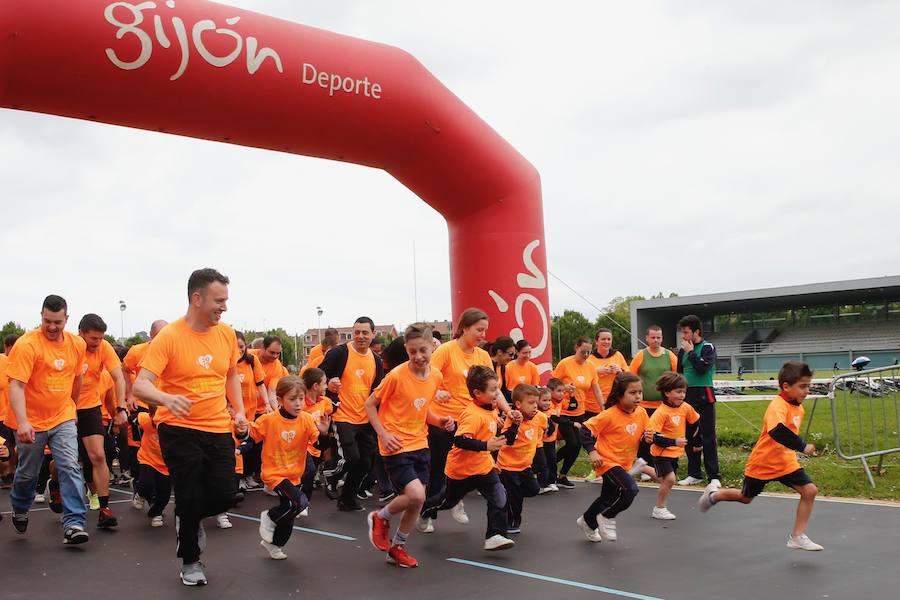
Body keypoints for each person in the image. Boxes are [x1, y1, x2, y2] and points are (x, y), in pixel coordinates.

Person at [133, 268, 249, 586]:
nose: (224, 307)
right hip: (178, 428)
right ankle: (191, 560)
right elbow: (141, 387)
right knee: (187, 493)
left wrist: (238, 411)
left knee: (226, 494)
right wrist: (167, 399)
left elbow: (228, 376)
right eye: (219, 300)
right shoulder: (170, 337)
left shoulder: (226, 334)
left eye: (226, 300)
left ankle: (189, 517)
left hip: (217, 426)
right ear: (196, 298)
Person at [698, 361, 823, 551]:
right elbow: (777, 431)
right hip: (763, 463)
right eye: (803, 386)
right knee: (745, 498)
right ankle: (715, 496)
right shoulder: (777, 405)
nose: (807, 391)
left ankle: (797, 536)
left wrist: (796, 449)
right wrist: (802, 446)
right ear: (786, 387)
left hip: (786, 462)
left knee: (810, 491)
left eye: (808, 386)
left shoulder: (799, 407)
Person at [365, 323, 455, 568]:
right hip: (395, 444)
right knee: (416, 494)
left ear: (432, 349)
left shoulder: (436, 376)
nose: (418, 356)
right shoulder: (396, 376)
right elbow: (370, 404)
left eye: (423, 350)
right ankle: (380, 517)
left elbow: (424, 410)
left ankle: (397, 547)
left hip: (420, 443)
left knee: (417, 500)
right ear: (406, 349)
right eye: (412, 351)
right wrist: (383, 435)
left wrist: (441, 420)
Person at [6, 295, 90, 544]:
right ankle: (20, 507)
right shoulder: (27, 344)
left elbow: (77, 378)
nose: (52, 327)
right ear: (41, 316)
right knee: (28, 474)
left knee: (69, 466)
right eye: (47, 321)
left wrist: (72, 407)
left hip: (61, 416)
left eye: (57, 322)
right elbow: (16, 386)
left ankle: (74, 523)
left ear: (67, 319)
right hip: (30, 420)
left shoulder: (77, 345)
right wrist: (22, 422)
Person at [425, 308, 518, 528]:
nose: (483, 335)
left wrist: (507, 410)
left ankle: (455, 499)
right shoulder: (446, 351)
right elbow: (427, 377)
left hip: (474, 420)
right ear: (464, 328)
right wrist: (436, 391)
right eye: (479, 330)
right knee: (440, 467)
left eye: (485, 330)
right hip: (445, 419)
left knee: (471, 465)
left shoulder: (483, 355)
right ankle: (428, 514)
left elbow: (493, 390)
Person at [420, 365, 518, 551]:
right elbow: (460, 440)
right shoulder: (472, 414)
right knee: (446, 502)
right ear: (477, 393)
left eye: (497, 388)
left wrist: (515, 425)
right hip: (461, 471)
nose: (498, 393)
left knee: (499, 496)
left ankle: (494, 536)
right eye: (493, 390)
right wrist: (485, 446)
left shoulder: (491, 408)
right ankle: (424, 511)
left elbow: (506, 439)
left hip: (483, 467)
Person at [241, 376, 329, 560]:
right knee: (299, 503)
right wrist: (237, 447)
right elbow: (251, 439)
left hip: (294, 474)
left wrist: (324, 433)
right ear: (280, 400)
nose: (298, 404)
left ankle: (274, 544)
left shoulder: (306, 419)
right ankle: (270, 517)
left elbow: (319, 445)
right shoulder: (269, 420)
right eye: (292, 399)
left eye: (300, 399)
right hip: (274, 474)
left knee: (289, 514)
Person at [319, 316, 385, 511]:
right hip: (342, 415)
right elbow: (316, 376)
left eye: (365, 332)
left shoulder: (376, 360)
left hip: (365, 417)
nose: (361, 336)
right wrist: (329, 383)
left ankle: (347, 498)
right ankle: (330, 474)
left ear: (373, 334)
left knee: (365, 463)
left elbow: (377, 390)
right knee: (351, 457)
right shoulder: (340, 353)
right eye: (357, 332)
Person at [575, 372, 648, 543]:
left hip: (624, 463)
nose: (637, 396)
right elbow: (585, 431)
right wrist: (592, 452)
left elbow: (645, 434)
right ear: (619, 394)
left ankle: (587, 521)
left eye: (640, 392)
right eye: (632, 392)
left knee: (607, 497)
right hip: (606, 461)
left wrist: (648, 438)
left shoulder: (642, 413)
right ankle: (607, 517)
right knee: (630, 490)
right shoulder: (609, 414)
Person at [75, 313, 128, 527]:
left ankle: (104, 509)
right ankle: (55, 483)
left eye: (100, 338)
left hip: (90, 407)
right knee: (64, 463)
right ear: (81, 334)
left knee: (98, 456)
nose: (98, 343)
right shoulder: (70, 347)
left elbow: (118, 377)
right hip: (64, 408)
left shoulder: (104, 347)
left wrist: (120, 407)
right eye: (93, 339)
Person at [676, 315, 721, 487]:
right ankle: (694, 473)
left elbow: (702, 368)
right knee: (689, 436)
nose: (683, 336)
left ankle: (714, 475)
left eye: (686, 332)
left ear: (696, 332)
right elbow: (679, 374)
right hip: (687, 396)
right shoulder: (682, 351)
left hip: (704, 395)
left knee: (708, 436)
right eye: (682, 332)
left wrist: (691, 352)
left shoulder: (708, 347)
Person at [551, 337, 602, 489]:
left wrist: (603, 408)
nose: (586, 354)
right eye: (583, 351)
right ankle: (549, 464)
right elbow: (552, 385)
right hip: (564, 410)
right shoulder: (565, 364)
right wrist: (565, 388)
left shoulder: (591, 366)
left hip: (580, 411)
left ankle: (562, 474)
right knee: (572, 443)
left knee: (577, 445)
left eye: (589, 351)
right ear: (576, 348)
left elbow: (596, 389)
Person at [646, 372, 698, 520]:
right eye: (678, 392)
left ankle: (642, 467)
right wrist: (674, 442)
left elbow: (696, 423)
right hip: (661, 452)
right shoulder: (660, 413)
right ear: (667, 392)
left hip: (675, 452)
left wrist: (697, 442)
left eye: (684, 392)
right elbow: (654, 437)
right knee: (669, 480)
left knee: (664, 479)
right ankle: (659, 508)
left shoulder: (685, 407)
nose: (682, 395)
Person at [498, 384, 547, 534]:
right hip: (508, 466)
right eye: (531, 403)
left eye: (536, 402)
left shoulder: (540, 417)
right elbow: (509, 440)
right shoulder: (512, 419)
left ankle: (507, 494)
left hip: (525, 465)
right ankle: (511, 522)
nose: (535, 406)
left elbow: (545, 429)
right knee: (515, 501)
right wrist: (516, 425)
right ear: (518, 404)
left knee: (534, 489)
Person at [628, 325, 678, 472]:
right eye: (653, 337)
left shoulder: (669, 356)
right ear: (647, 338)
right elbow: (631, 375)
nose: (656, 340)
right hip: (644, 405)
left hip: (664, 406)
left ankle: (665, 465)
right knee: (645, 436)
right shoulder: (641, 355)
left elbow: (677, 377)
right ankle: (645, 465)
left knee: (664, 436)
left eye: (659, 337)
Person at [234, 331, 268, 490]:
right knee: (238, 446)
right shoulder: (226, 364)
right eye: (236, 347)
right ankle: (238, 478)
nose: (239, 350)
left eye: (241, 347)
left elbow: (260, 383)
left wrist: (267, 403)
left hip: (251, 412)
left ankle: (248, 476)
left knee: (252, 445)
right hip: (233, 414)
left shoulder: (252, 361)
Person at [132, 405, 171, 527]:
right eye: (154, 416)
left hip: (166, 466)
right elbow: (131, 419)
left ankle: (157, 513)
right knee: (146, 483)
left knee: (165, 495)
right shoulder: (145, 419)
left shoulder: (172, 427)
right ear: (151, 415)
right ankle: (140, 493)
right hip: (148, 459)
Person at [300, 367, 333, 503]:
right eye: (324, 383)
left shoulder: (325, 401)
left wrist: (325, 431)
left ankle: (303, 501)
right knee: (309, 471)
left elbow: (328, 415)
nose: (326, 386)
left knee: (310, 473)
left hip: (316, 445)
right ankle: (301, 500)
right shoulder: (300, 403)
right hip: (302, 445)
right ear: (315, 386)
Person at [586, 329, 627, 418]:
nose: (606, 342)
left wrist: (620, 371)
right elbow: (581, 376)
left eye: (609, 339)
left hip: (614, 403)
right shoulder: (589, 357)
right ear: (597, 341)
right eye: (603, 339)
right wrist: (596, 371)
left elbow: (629, 376)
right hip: (591, 406)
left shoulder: (617, 355)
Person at [535, 380, 564, 493]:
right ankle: (541, 482)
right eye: (544, 400)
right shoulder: (537, 413)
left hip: (551, 440)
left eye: (548, 400)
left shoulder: (551, 411)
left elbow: (557, 421)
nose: (547, 403)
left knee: (552, 460)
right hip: (540, 442)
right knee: (541, 462)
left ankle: (552, 481)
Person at [0, 333, 20, 486]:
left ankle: (10, 472)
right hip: (4, 415)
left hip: (10, 414)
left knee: (10, 449)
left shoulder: (13, 364)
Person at [488, 336, 516, 403]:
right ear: (499, 352)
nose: (512, 358)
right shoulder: (489, 365)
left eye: (514, 355)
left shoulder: (502, 367)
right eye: (510, 354)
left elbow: (503, 390)